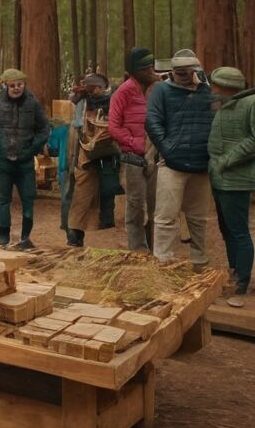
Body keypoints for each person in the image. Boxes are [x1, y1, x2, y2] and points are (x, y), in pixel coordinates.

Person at [145, 51, 214, 266]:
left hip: (201, 165)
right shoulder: (162, 91)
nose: (184, 75)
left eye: (189, 71)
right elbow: (153, 122)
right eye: (179, 72)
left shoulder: (207, 92)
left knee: (198, 218)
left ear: (196, 70)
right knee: (165, 217)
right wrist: (168, 149)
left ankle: (199, 261)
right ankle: (162, 261)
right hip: (171, 165)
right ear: (172, 72)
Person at [0, 69, 50, 250]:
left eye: (19, 84)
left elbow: (44, 128)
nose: (16, 88)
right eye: (12, 85)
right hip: (4, 161)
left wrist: (33, 148)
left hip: (25, 161)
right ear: (6, 85)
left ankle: (25, 238)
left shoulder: (33, 103)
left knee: (28, 199)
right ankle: (4, 239)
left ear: (24, 84)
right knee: (4, 200)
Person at [207, 67, 255, 307]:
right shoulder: (225, 104)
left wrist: (226, 160)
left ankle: (242, 282)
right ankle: (234, 272)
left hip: (236, 179)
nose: (213, 90)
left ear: (227, 86)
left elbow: (254, 139)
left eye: (216, 85)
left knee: (238, 231)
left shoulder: (250, 104)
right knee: (227, 231)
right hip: (220, 179)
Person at [109, 47, 160, 251]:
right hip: (132, 158)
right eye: (146, 68)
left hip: (155, 156)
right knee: (136, 206)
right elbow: (113, 127)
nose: (151, 71)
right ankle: (137, 249)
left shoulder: (157, 89)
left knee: (156, 206)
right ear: (135, 71)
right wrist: (136, 144)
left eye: (152, 67)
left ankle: (155, 249)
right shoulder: (123, 91)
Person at [65, 73, 122, 247]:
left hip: (107, 154)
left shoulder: (114, 101)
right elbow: (75, 126)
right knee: (82, 195)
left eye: (97, 86)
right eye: (92, 87)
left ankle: (105, 222)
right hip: (86, 154)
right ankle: (74, 235)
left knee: (108, 189)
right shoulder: (80, 102)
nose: (95, 90)